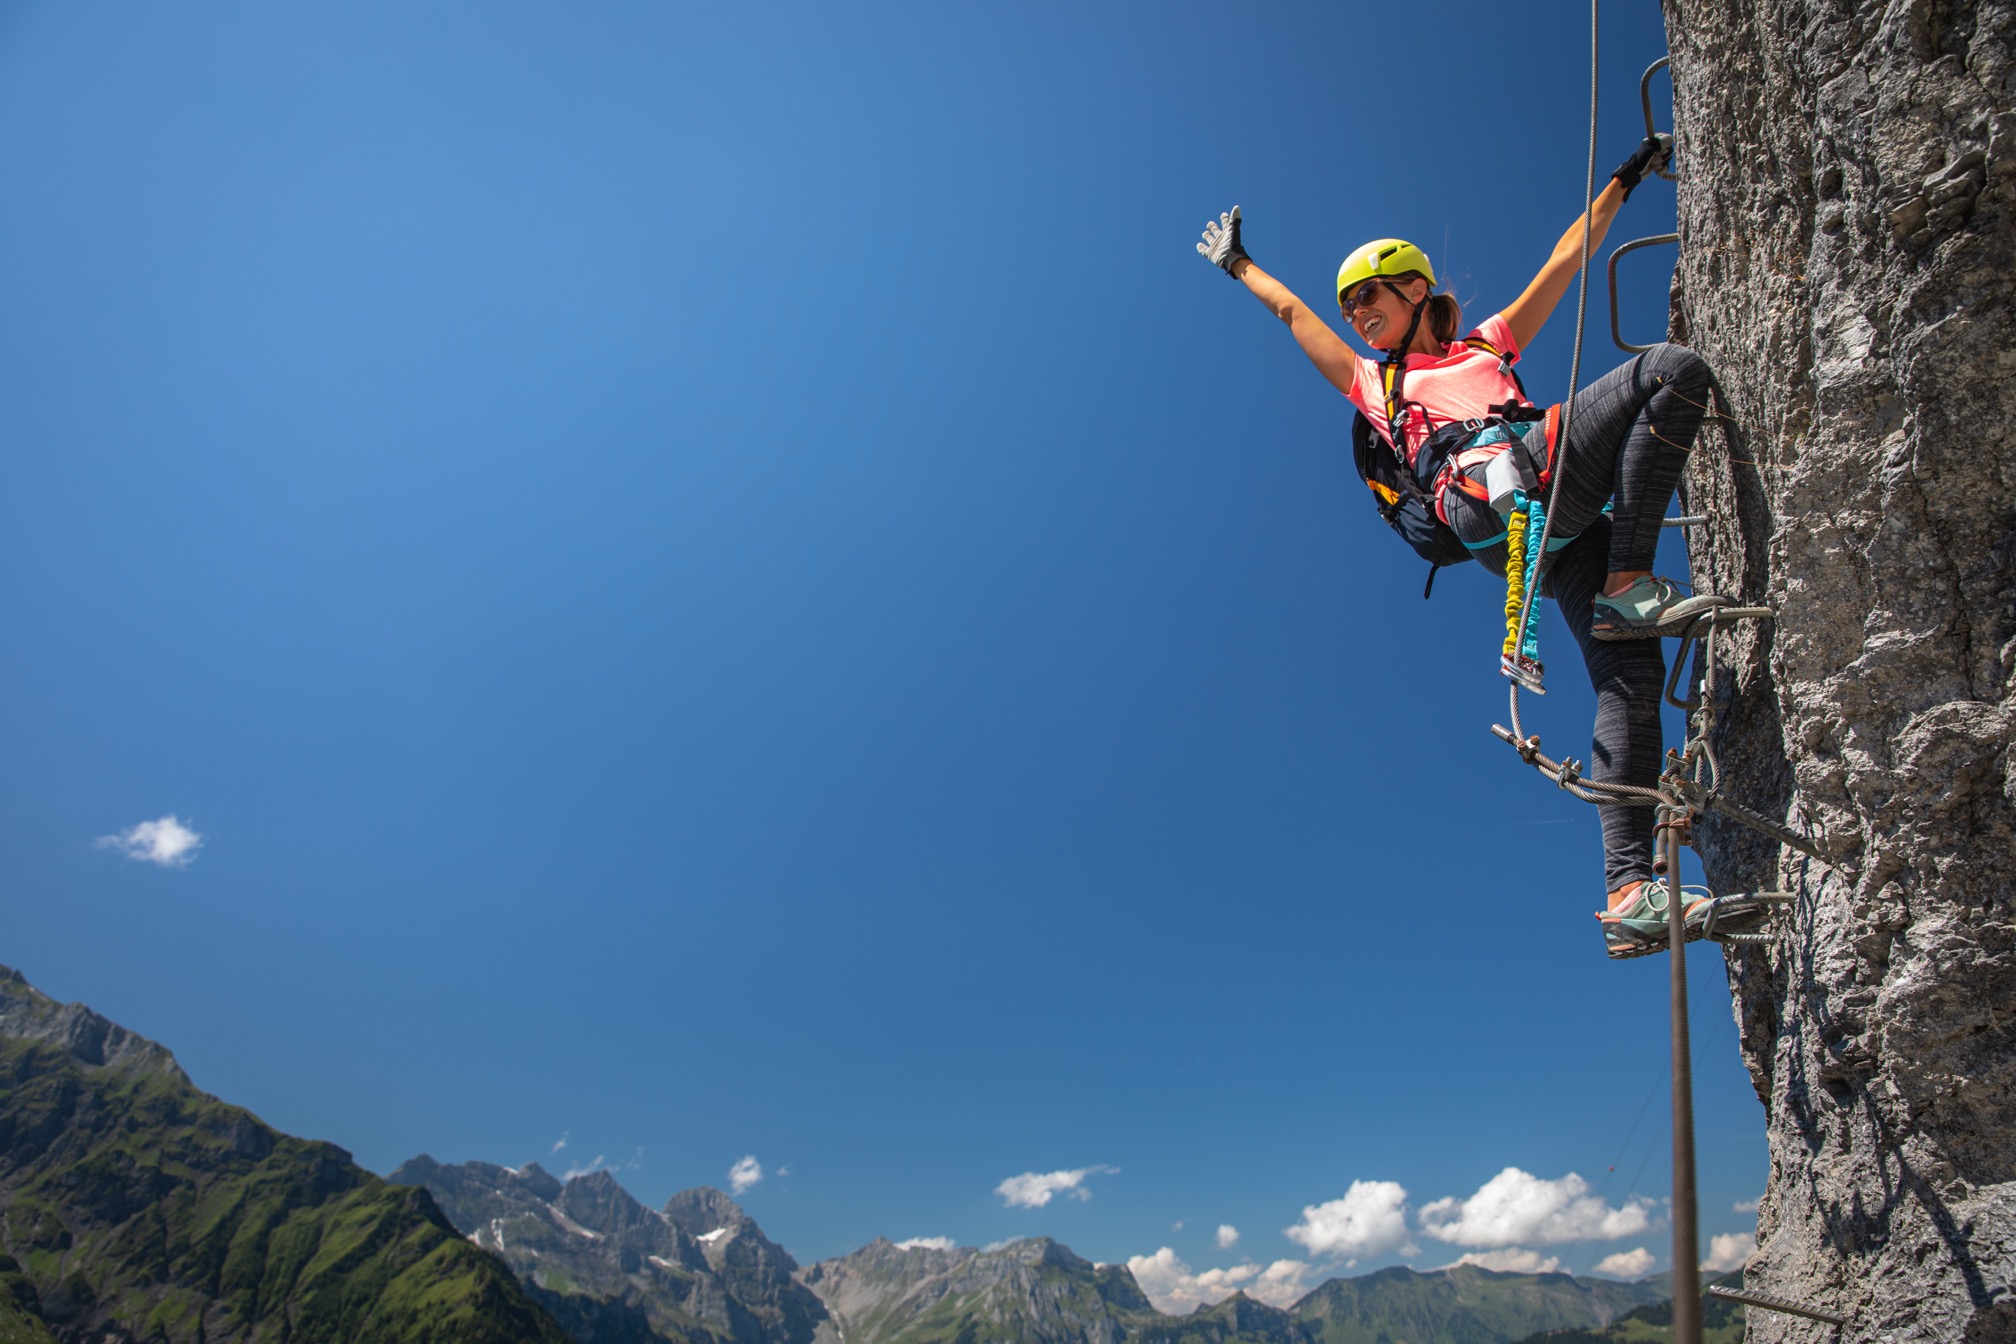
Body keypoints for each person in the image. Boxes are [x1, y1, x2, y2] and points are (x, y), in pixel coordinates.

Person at [1196, 135, 1723, 960]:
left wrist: (1626, 174)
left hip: (1551, 526)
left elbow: (1566, 256)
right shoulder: (1379, 384)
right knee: (1669, 371)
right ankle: (1629, 578)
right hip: (1491, 499)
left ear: (1416, 290)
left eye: (1371, 295)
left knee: (1631, 678)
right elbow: (1293, 314)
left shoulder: (1488, 345)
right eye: (1351, 306)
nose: (1358, 313)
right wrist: (1240, 265)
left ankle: (1629, 890)